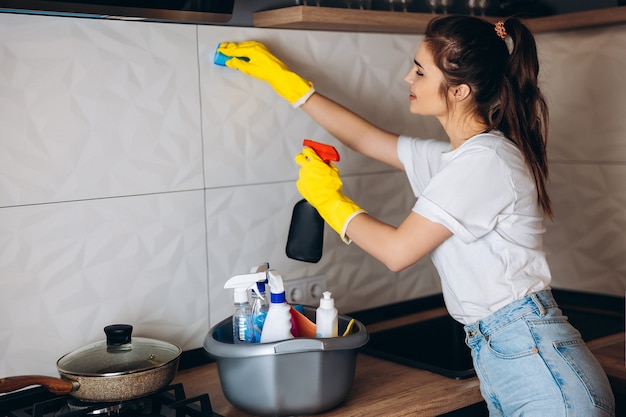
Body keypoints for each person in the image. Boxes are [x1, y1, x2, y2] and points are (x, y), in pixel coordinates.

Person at [217, 15, 615, 417]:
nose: (408, 78)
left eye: (421, 71)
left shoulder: (484, 163)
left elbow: (397, 252)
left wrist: (330, 201)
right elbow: (366, 138)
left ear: (458, 90)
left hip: (536, 363)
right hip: (510, 352)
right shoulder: (459, 159)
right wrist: (286, 83)